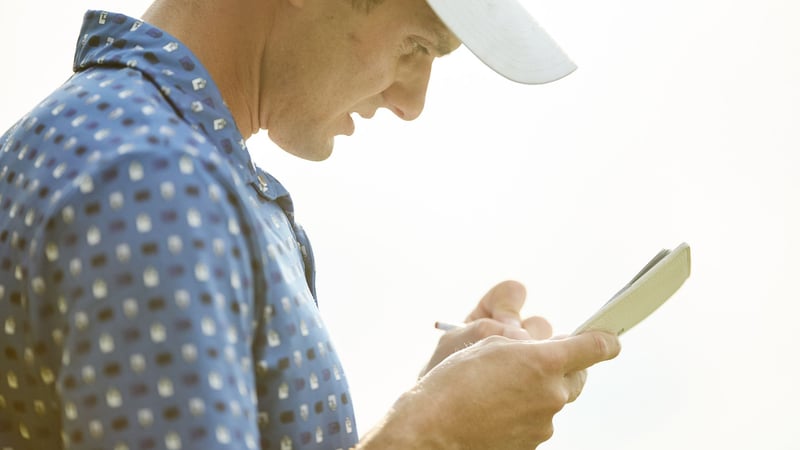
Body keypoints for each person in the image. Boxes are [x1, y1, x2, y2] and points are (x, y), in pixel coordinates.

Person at [0, 0, 621, 449]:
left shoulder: (127, 151)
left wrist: (438, 403)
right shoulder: (153, 182)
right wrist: (431, 434)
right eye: (418, 44)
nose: (411, 104)